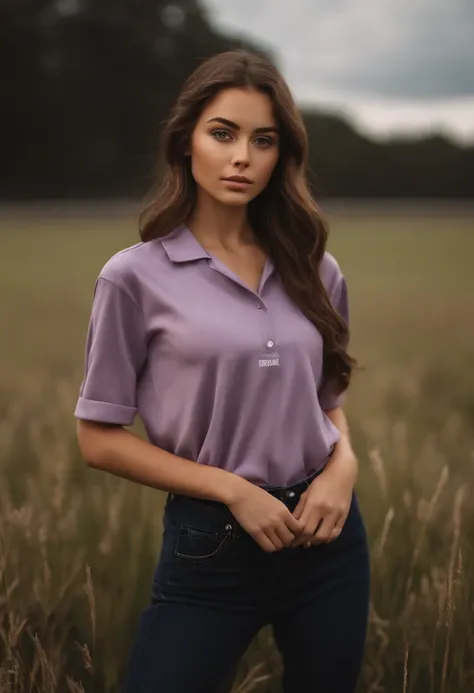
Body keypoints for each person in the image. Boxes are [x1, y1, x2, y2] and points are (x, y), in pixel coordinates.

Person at [74, 49, 370, 693]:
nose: (242, 157)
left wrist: (343, 470)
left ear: (280, 155)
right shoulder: (134, 277)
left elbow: (328, 404)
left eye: (263, 140)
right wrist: (232, 490)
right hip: (212, 542)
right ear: (185, 143)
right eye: (223, 133)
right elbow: (97, 439)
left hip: (329, 535)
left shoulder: (316, 269)